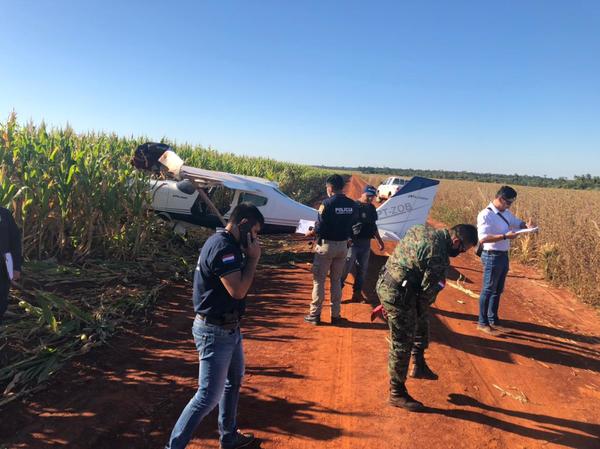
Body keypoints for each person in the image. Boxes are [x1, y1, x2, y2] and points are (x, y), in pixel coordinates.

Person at [165, 203, 264, 449]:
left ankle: (229, 437)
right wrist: (253, 260)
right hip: (215, 332)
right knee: (207, 396)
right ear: (242, 224)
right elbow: (238, 290)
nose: (255, 238)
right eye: (254, 232)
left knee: (233, 381)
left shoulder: (226, 243)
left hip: (229, 329)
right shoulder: (223, 248)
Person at [376, 223, 478, 411]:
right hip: (398, 294)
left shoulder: (422, 229)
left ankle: (419, 364)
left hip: (387, 281)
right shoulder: (438, 255)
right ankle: (396, 393)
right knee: (402, 342)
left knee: (422, 321)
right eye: (463, 249)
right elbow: (427, 294)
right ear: (456, 241)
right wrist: (399, 305)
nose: (461, 253)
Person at [477, 186, 535, 334]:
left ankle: (493, 319)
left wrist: (526, 226)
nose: (509, 206)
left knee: (498, 290)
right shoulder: (485, 215)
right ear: (500, 199)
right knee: (488, 289)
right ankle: (482, 323)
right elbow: (483, 238)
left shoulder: (506, 213)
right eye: (508, 203)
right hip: (491, 255)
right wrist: (505, 236)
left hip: (503, 255)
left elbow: (517, 222)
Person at [304, 174, 357, 325]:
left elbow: (319, 227)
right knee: (336, 281)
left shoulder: (326, 204)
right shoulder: (351, 204)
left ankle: (315, 315)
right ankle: (336, 315)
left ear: (330, 188)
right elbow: (353, 224)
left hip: (326, 246)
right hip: (342, 246)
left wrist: (311, 232)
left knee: (319, 281)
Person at [340, 185, 384, 302]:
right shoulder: (353, 206)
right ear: (363, 193)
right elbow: (345, 225)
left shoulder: (371, 208)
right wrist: (348, 238)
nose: (370, 199)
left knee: (362, 270)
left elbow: (373, 226)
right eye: (368, 196)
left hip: (366, 243)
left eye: (372, 197)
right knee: (345, 269)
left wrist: (379, 240)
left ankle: (357, 294)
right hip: (353, 243)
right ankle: (337, 294)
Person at [0, 206, 22, 322]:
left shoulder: (5, 214)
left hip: (6, 261)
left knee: (2, 294)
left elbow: (15, 241)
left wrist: (16, 267)